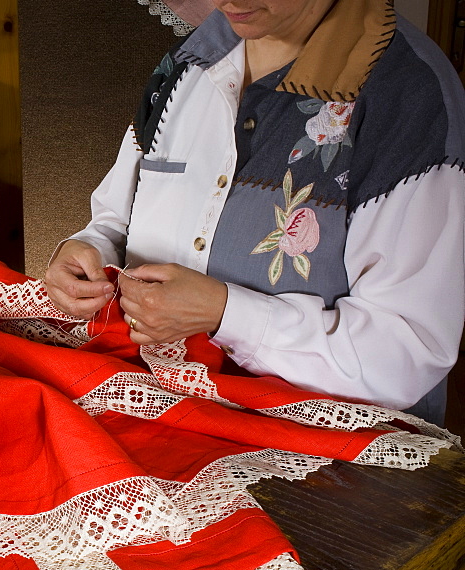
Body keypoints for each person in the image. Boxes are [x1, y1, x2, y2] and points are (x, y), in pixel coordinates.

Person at [45, 0, 465, 424]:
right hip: (170, 415)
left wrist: (226, 314)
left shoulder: (408, 97)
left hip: (332, 461)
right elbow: (117, 218)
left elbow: (405, 357)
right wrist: (92, 248)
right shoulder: (191, 59)